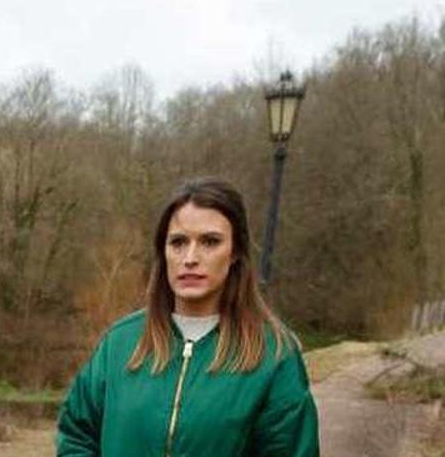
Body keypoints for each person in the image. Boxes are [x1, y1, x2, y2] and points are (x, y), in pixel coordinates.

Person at [56, 177, 318, 456]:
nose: (190, 257)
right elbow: (76, 436)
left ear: (235, 253)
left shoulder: (274, 355)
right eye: (178, 242)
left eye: (210, 242)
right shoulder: (120, 344)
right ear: (163, 251)